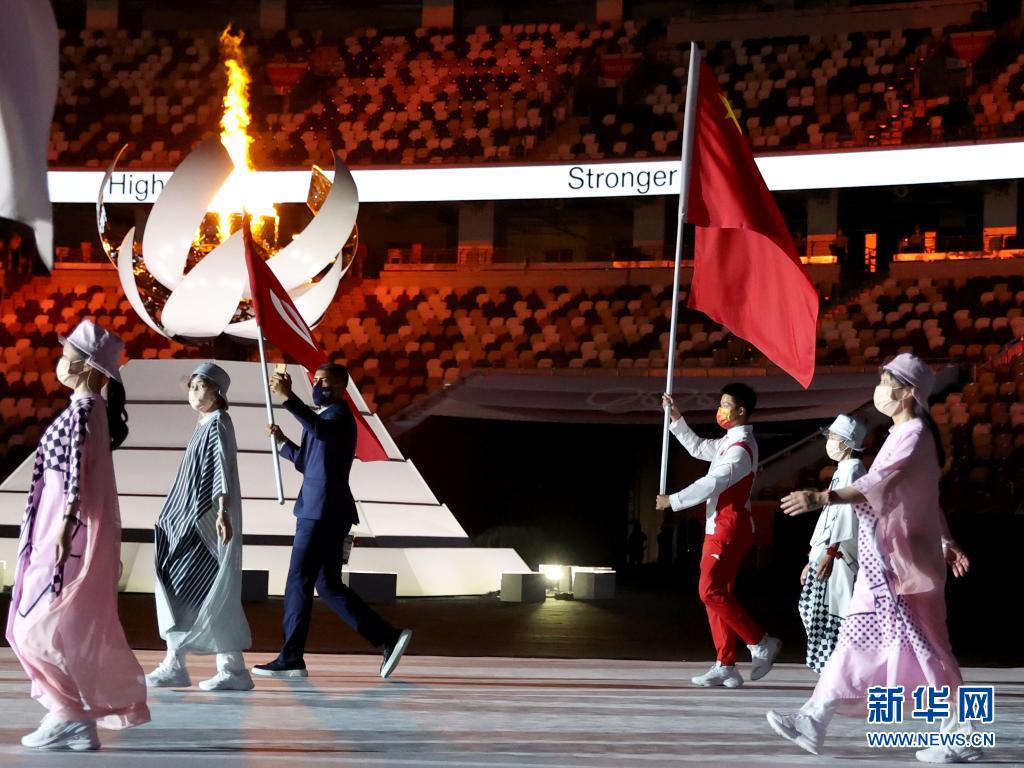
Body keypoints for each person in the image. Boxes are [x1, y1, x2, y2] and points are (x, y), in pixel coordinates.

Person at [771, 354, 978, 764]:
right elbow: (920, 499)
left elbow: (876, 485)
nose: (879, 391)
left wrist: (822, 496)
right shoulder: (902, 436)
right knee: (854, 643)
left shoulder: (913, 435)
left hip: (903, 568)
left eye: (885, 384)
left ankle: (963, 735)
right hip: (883, 564)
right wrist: (948, 540)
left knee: (931, 651)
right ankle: (813, 720)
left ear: (905, 394)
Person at [6, 319, 149, 750]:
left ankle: (69, 713)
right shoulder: (87, 409)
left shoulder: (87, 410)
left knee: (32, 625)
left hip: (62, 527)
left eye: (67, 354)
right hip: (55, 521)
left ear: (86, 366)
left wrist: (67, 526)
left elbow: (74, 473)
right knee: (35, 623)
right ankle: (70, 716)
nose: (60, 361)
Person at [252, 362, 412, 680]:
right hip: (323, 510)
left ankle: (292, 657)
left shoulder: (338, 416)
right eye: (317, 379)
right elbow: (308, 463)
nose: (318, 384)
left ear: (341, 388)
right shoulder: (324, 418)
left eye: (325, 381)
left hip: (321, 512)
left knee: (298, 581)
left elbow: (321, 432)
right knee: (327, 584)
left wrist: (289, 399)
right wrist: (283, 443)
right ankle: (387, 637)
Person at [656, 384, 781, 688]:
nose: (720, 409)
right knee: (716, 597)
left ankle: (760, 642)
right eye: (720, 403)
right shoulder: (730, 442)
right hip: (719, 527)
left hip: (729, 528)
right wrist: (675, 419)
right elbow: (698, 448)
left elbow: (712, 483)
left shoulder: (740, 450)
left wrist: (673, 501)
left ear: (741, 411)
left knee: (709, 591)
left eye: (726, 404)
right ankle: (725, 664)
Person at [146, 363, 253, 691]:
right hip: (189, 520)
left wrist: (222, 512)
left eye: (201, 386)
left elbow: (221, 468)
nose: (193, 392)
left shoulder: (218, 424)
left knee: (183, 586)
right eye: (191, 386)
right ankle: (231, 667)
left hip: (202, 524)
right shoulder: (206, 423)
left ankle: (176, 663)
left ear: (218, 391)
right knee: (203, 591)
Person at [798, 414, 866, 674]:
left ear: (848, 443)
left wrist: (829, 551)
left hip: (839, 555)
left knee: (840, 611)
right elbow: (830, 516)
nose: (830, 442)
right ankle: (836, 668)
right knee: (817, 609)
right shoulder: (843, 470)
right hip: (828, 553)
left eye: (835, 438)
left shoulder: (853, 471)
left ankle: (845, 670)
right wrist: (813, 558)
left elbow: (845, 515)